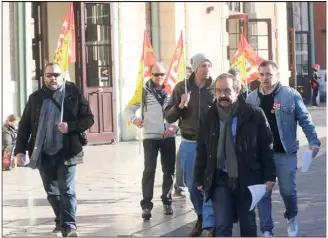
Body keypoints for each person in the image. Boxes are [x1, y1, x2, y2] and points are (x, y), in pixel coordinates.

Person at [14, 62, 94, 237]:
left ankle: (70, 226)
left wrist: (70, 126)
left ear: (62, 76)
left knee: (67, 190)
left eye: (56, 75)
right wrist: (19, 151)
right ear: (44, 77)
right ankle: (60, 221)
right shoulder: (35, 98)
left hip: (67, 151)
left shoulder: (73, 94)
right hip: (43, 151)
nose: (53, 78)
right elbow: (25, 125)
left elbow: (89, 119)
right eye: (49, 75)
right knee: (51, 191)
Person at [194, 73, 276, 237]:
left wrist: (269, 177)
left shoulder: (254, 114)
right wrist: (199, 177)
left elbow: (266, 147)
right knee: (222, 226)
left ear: (237, 91)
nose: (222, 95)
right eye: (218, 91)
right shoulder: (208, 117)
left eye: (227, 90)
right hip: (220, 178)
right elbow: (202, 149)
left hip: (247, 178)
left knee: (248, 226)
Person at [246, 60, 321, 237]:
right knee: (263, 194)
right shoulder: (251, 98)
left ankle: (291, 216)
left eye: (269, 74)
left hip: (285, 152)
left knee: (288, 191)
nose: (265, 78)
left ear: (277, 75)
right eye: (262, 74)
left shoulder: (290, 95)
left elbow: (305, 120)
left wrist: (314, 141)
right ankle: (267, 230)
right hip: (260, 156)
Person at [164, 53, 215, 236]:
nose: (207, 69)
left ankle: (210, 223)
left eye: (209, 65)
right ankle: (201, 217)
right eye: (203, 65)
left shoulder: (216, 87)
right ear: (195, 68)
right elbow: (168, 116)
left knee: (210, 184)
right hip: (189, 143)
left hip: (211, 144)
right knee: (192, 185)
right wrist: (179, 106)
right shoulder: (181, 88)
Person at [124, 62, 178, 220]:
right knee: (149, 171)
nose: (160, 77)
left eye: (162, 74)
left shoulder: (172, 90)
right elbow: (128, 109)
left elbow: (180, 112)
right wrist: (134, 119)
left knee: (169, 170)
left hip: (168, 136)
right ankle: (146, 205)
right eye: (157, 74)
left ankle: (167, 201)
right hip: (150, 137)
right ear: (150, 75)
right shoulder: (143, 92)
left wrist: (174, 127)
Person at [173, 65, 194, 198]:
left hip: (198, 133)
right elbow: (172, 112)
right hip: (183, 131)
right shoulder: (180, 88)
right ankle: (180, 186)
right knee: (181, 158)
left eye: (189, 73)